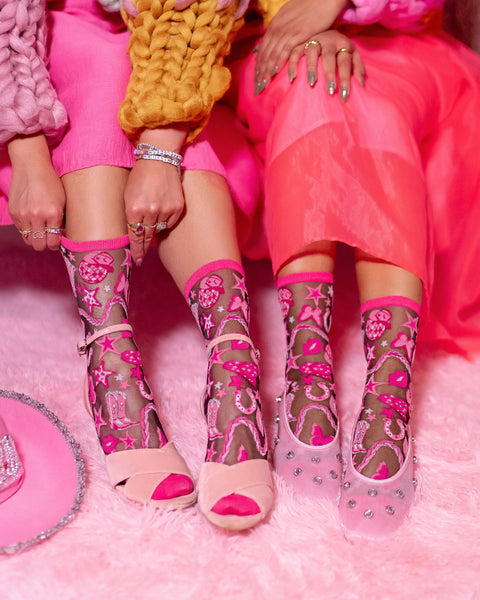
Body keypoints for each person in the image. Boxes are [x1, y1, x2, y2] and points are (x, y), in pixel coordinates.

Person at [0, 0, 273, 530]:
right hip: (31, 57)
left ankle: (234, 367)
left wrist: (161, 150)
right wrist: (26, 152)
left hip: (188, 41)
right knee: (100, 63)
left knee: (147, 74)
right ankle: (112, 362)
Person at [220, 0, 480, 537]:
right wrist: (301, 26)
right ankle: (307, 363)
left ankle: (389, 393)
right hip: (267, 43)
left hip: (402, 46)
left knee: (377, 111)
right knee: (311, 83)